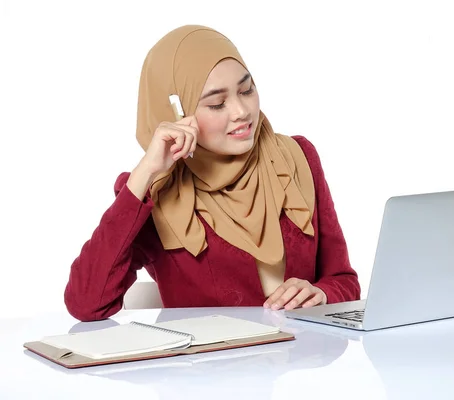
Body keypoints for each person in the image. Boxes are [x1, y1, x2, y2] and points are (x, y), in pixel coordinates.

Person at [64, 25, 361, 322]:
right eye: (217, 103)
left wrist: (322, 293)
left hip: (303, 363)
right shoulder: (156, 193)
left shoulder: (297, 158)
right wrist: (146, 171)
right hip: (211, 366)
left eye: (247, 90)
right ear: (178, 116)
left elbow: (343, 280)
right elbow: (87, 303)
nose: (241, 111)